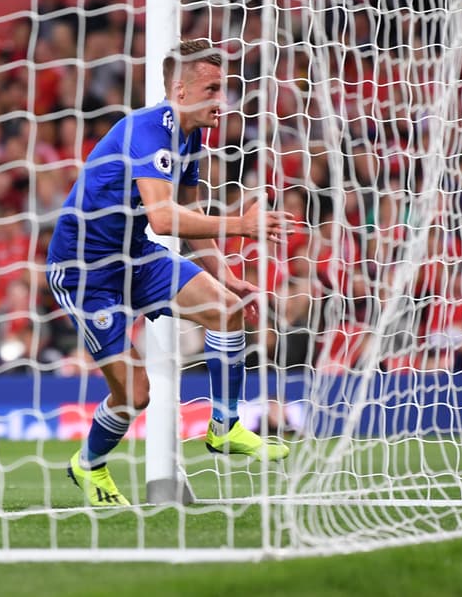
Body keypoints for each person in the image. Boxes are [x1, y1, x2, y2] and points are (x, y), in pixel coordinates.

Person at [45, 37, 293, 507]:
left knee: (228, 307)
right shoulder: (145, 128)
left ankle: (224, 426)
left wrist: (221, 270)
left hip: (134, 255)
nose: (223, 101)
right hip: (85, 272)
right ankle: (89, 465)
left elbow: (188, 207)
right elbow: (162, 218)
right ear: (180, 91)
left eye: (225, 89)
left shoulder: (192, 135)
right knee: (135, 395)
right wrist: (241, 225)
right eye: (213, 89)